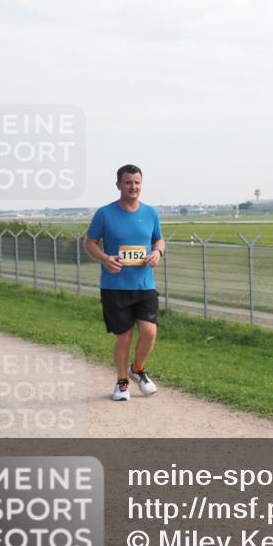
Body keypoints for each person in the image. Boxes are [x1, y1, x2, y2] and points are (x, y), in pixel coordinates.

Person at [84, 164, 165, 402]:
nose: (133, 187)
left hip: (144, 285)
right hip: (114, 286)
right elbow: (89, 243)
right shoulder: (105, 214)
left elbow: (158, 239)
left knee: (150, 332)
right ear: (119, 184)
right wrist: (105, 258)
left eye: (137, 182)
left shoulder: (150, 213)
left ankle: (137, 370)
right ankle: (121, 383)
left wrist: (158, 253)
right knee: (125, 336)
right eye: (128, 182)